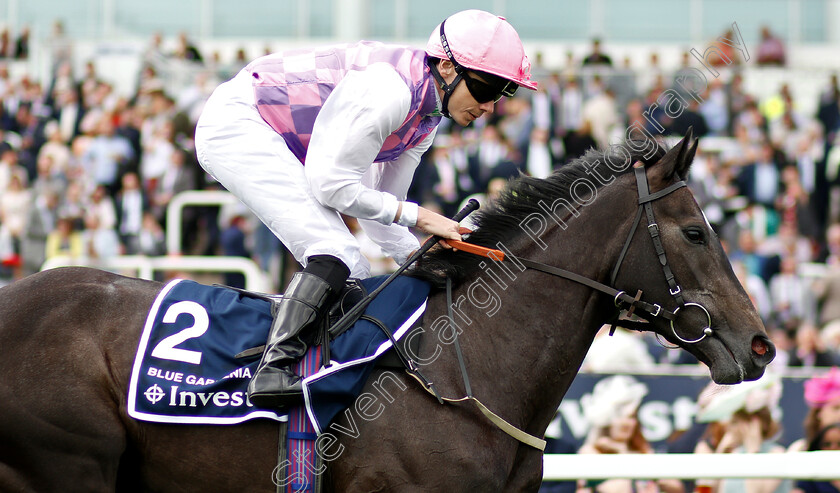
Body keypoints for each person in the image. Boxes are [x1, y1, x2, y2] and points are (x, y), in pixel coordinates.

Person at [193, 9, 537, 408]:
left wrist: (426, 255)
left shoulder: (426, 118)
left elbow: (381, 217)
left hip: (276, 134)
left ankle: (312, 362)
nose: (490, 105)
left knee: (355, 266)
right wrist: (424, 219)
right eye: (486, 88)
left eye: (502, 93)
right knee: (336, 252)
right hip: (239, 123)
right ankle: (271, 372)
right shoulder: (389, 91)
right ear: (447, 67)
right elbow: (332, 186)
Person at [576, 375, 684, 493]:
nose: (626, 423)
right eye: (620, 417)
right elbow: (613, 489)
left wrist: (623, 451)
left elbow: (676, 487)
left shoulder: (643, 449)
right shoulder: (591, 450)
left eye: (631, 417)